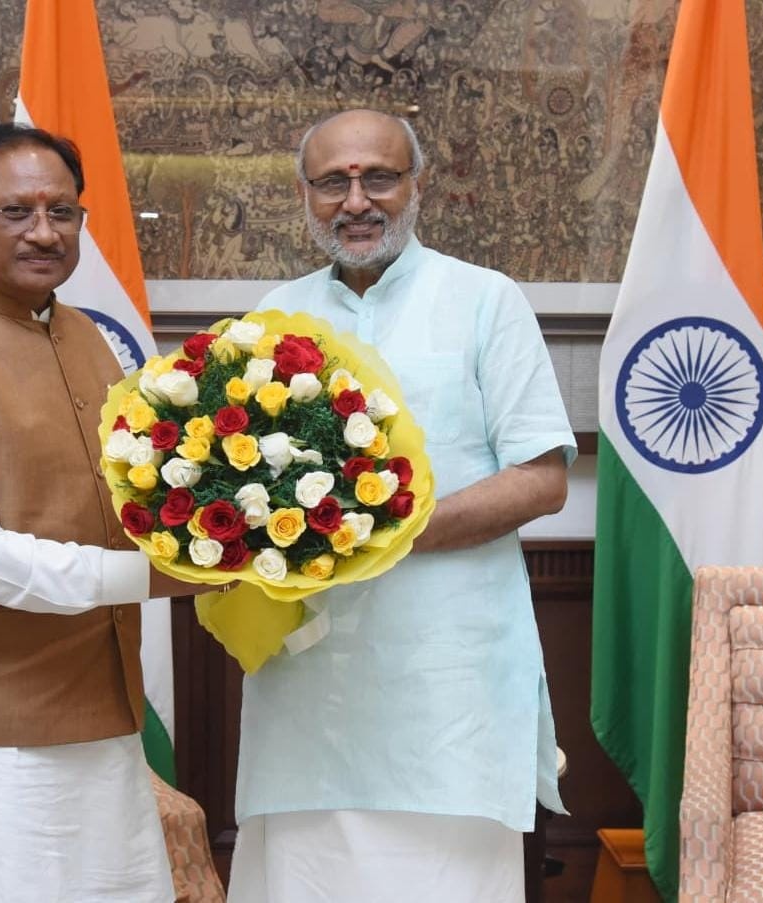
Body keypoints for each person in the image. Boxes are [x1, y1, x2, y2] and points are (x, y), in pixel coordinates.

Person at [0, 122, 218, 903]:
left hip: (100, 714)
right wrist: (149, 577)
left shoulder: (89, 338)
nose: (44, 232)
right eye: (16, 211)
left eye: (63, 212)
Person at [227, 109, 577, 903]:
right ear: (304, 195)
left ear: (416, 186)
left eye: (378, 177)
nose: (357, 201)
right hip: (306, 692)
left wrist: (379, 535)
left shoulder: (486, 300)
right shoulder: (270, 316)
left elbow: (542, 477)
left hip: (447, 690)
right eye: (333, 183)